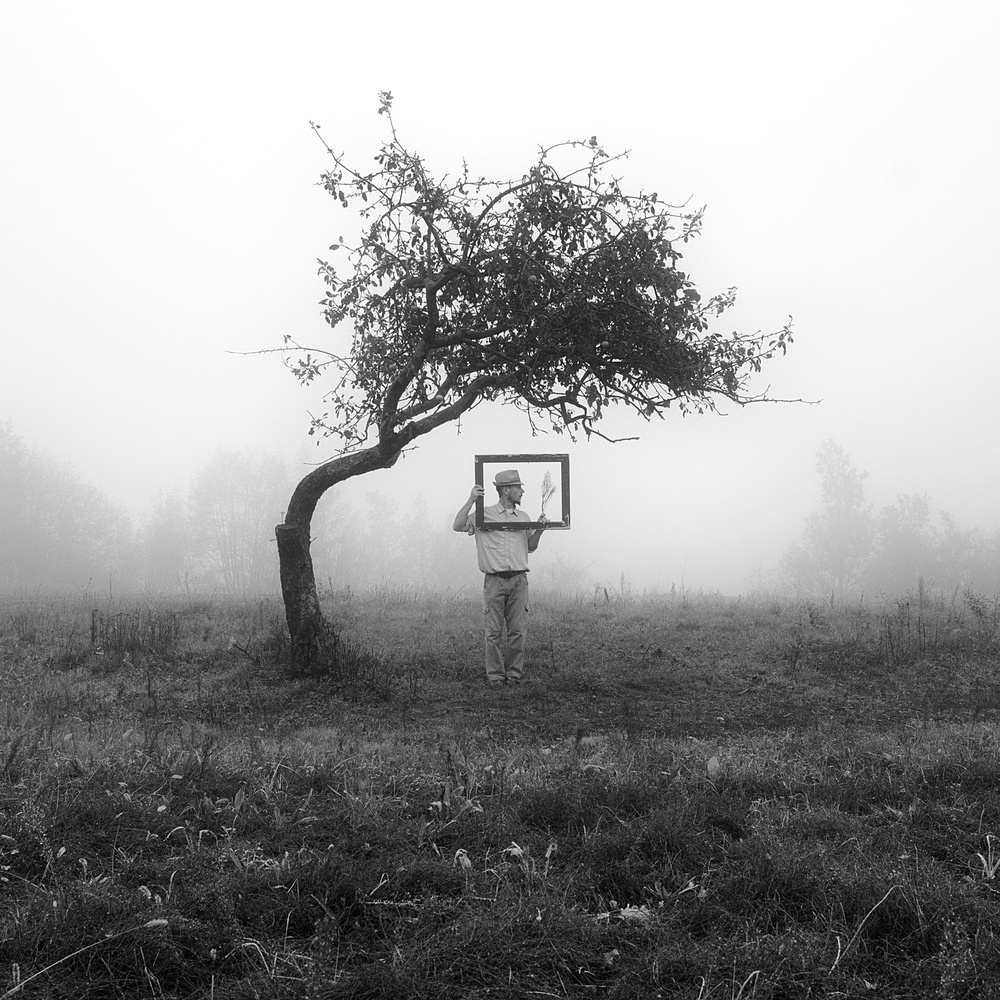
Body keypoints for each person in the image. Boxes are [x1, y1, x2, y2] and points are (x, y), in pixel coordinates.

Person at [452, 469, 547, 685]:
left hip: (519, 581)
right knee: (493, 632)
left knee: (518, 631)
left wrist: (540, 530)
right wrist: (470, 499)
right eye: (518, 487)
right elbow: (457, 525)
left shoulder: (523, 517)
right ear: (506, 490)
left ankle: (514, 675)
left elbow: (530, 547)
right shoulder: (483, 515)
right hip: (494, 581)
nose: (522, 491)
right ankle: (495, 676)